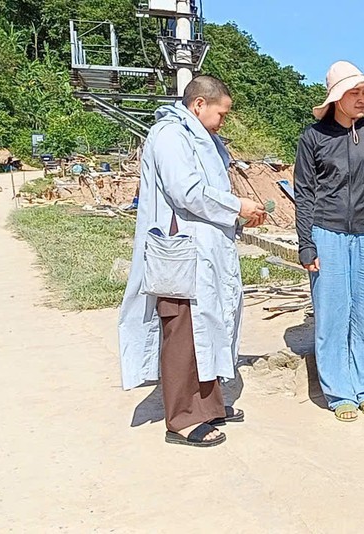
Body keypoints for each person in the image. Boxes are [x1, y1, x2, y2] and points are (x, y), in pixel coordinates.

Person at [118, 75, 267, 447]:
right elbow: (186, 191)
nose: (223, 121)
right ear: (199, 105)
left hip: (207, 250)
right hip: (181, 252)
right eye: (222, 113)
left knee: (211, 322)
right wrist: (238, 206)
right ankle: (182, 418)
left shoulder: (203, 137)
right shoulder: (169, 135)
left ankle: (209, 405)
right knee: (183, 330)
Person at [294, 61, 364, 423]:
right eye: (355, 92)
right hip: (326, 230)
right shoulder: (313, 137)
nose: (362, 99)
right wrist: (306, 242)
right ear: (337, 97)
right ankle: (339, 392)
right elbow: (304, 192)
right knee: (333, 314)